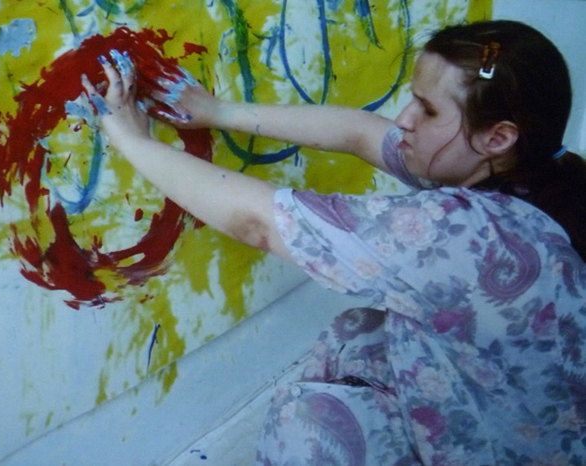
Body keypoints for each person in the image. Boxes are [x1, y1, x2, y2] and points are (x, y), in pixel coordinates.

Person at [82, 20, 586, 466]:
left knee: (306, 426)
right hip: (544, 408)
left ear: (498, 138)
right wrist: (218, 111)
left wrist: (131, 140)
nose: (404, 119)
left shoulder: (470, 234)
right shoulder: (551, 172)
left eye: (428, 110)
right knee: (356, 336)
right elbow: (360, 134)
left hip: (521, 448)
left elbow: (259, 223)